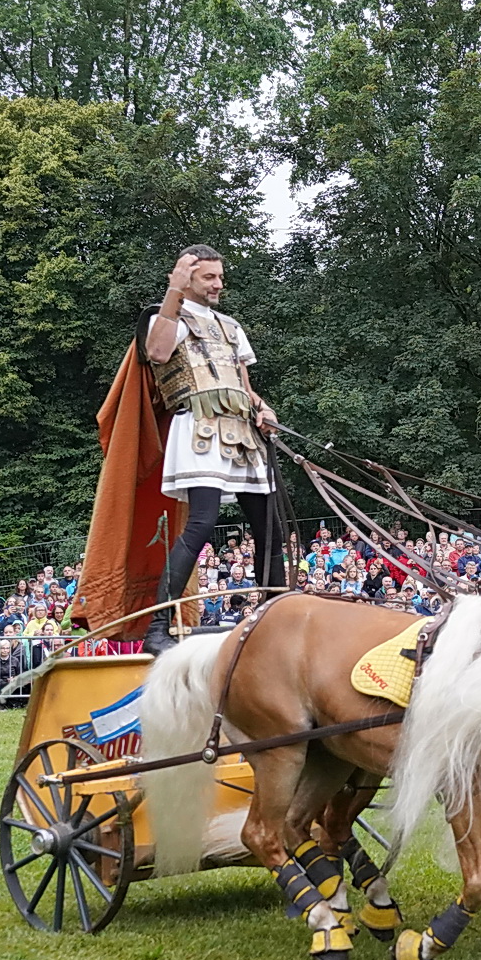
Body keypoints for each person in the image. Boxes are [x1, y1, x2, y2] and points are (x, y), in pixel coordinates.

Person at [139, 246, 284, 655]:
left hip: (243, 431)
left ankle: (273, 618)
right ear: (188, 278)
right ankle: (157, 628)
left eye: (220, 276)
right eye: (209, 278)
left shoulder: (230, 327)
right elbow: (158, 353)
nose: (219, 284)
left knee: (270, 526)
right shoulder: (166, 316)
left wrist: (263, 407)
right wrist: (174, 290)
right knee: (202, 523)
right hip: (200, 427)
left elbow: (242, 385)